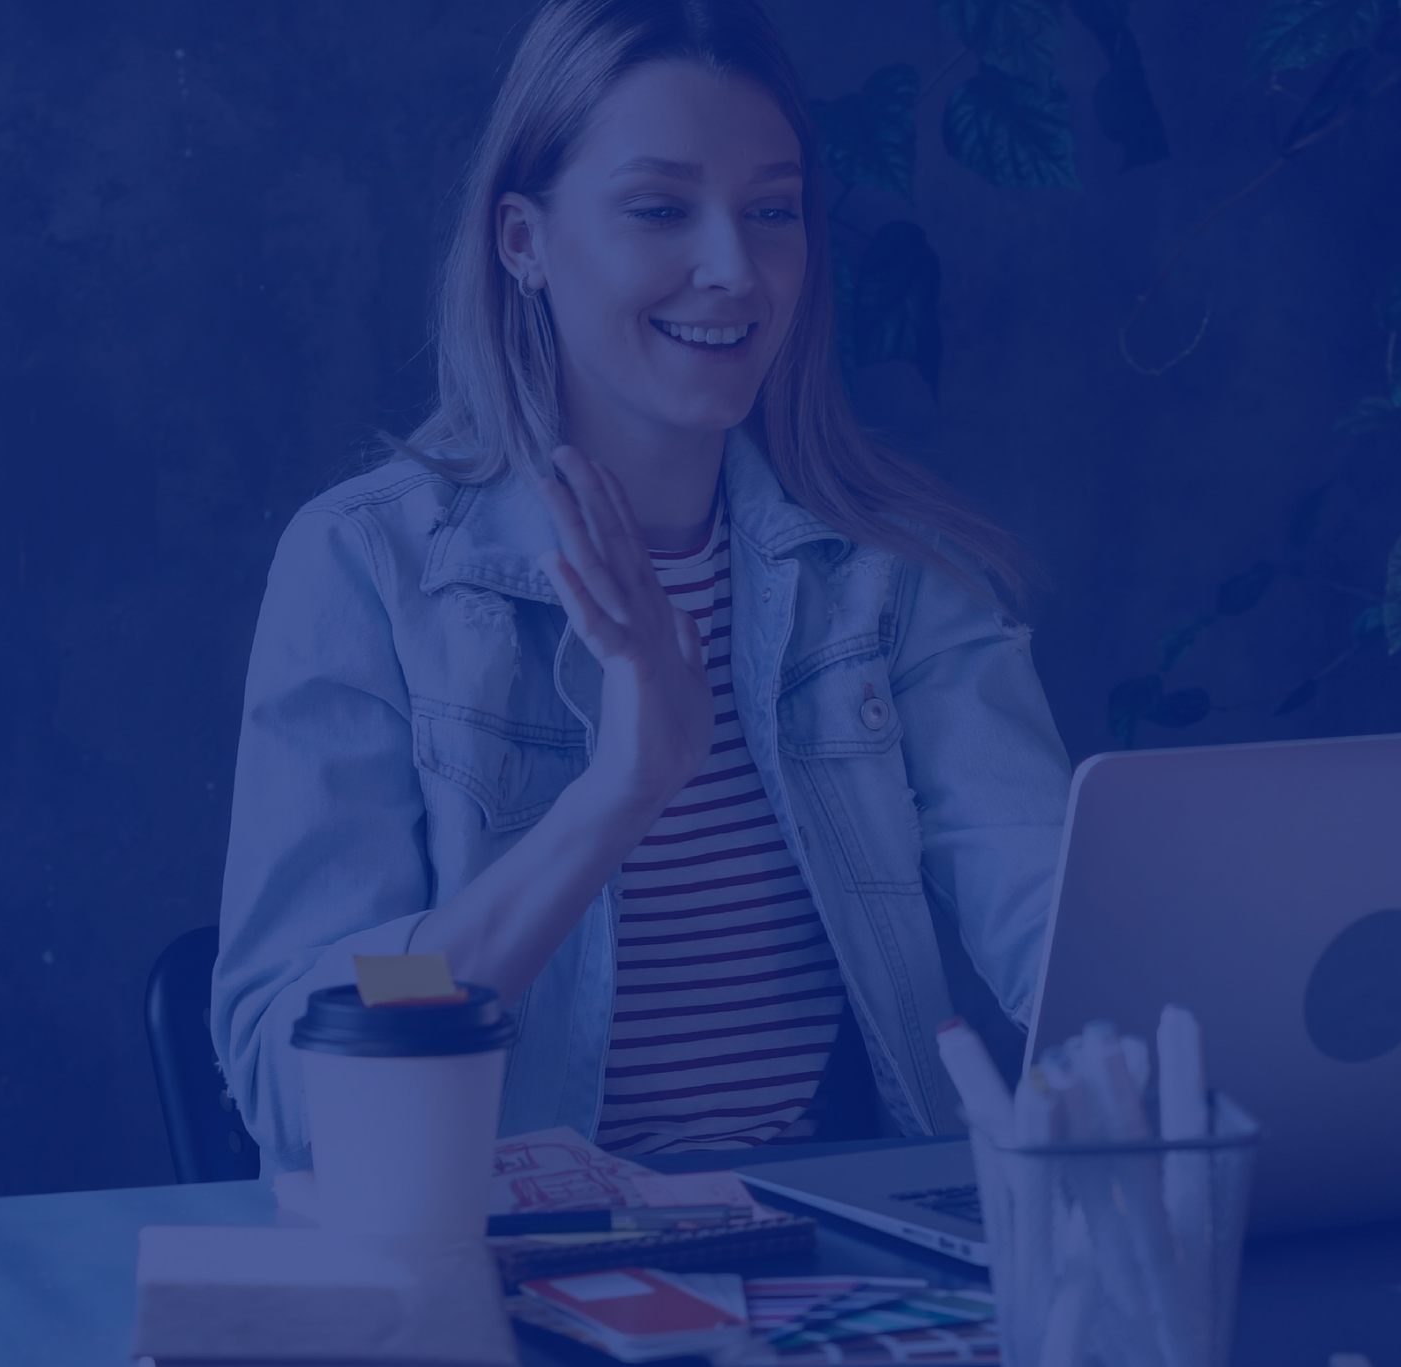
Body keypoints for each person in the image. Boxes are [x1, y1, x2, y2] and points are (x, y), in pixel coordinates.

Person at [212, 0, 1069, 1167]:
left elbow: (1060, 924)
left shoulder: (890, 575)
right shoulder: (368, 569)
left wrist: (1201, 1041)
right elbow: (294, 1066)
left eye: (773, 211)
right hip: (496, 1263)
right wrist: (613, 795)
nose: (734, 267)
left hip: (832, 1264)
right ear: (523, 241)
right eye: (660, 208)